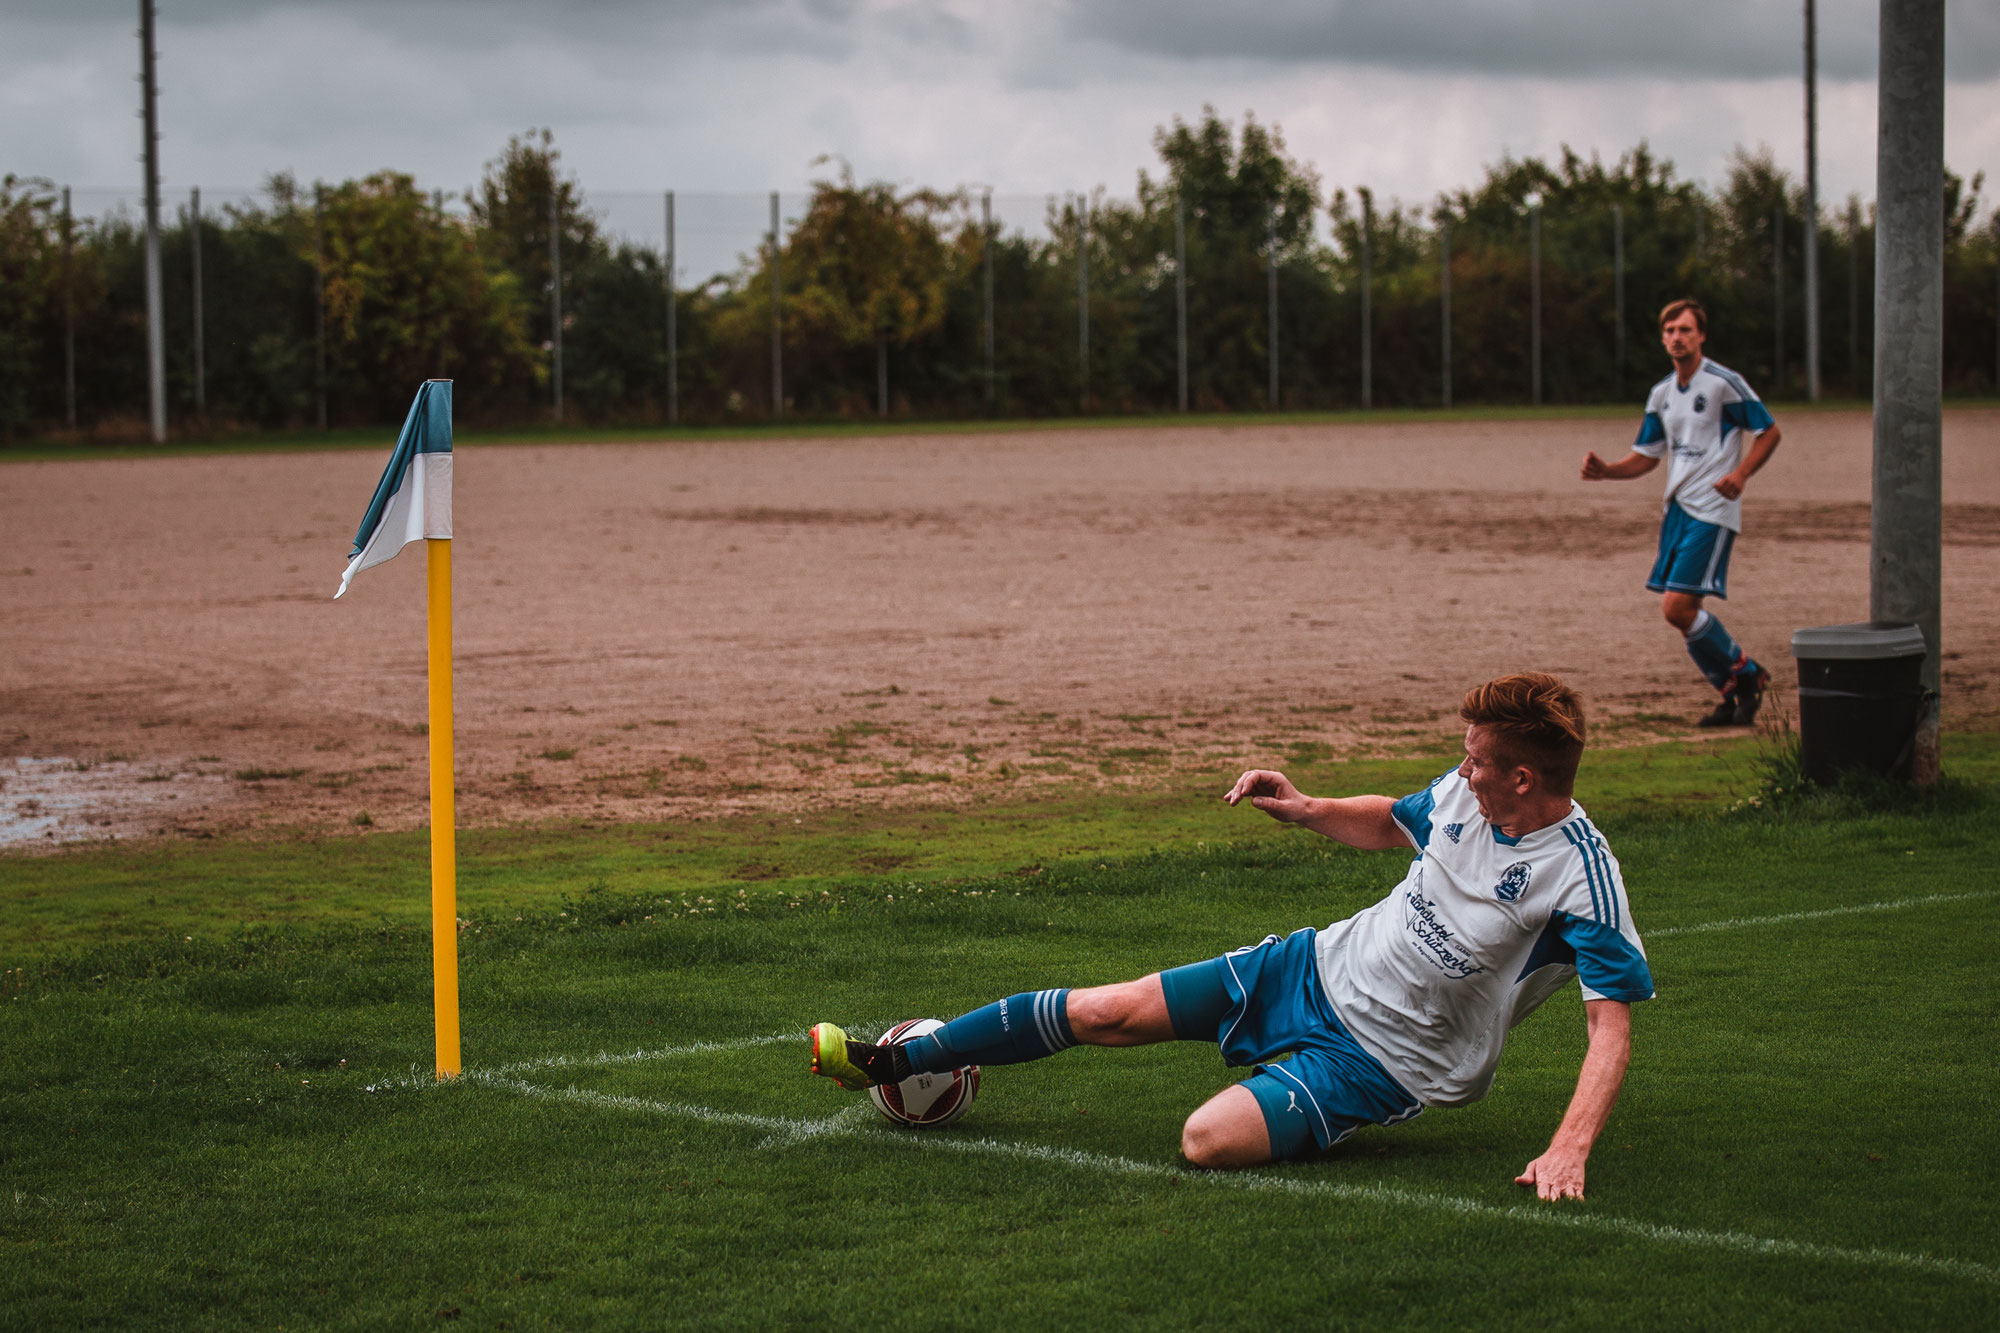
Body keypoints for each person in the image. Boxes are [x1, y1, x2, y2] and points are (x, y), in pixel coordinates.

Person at [810, 673, 1653, 1201]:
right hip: (1314, 967)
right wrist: (1308, 805)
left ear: (1523, 778)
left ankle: (1302, 1093)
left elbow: (1608, 1030)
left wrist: (1567, 1147)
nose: (1461, 770)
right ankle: (892, 1059)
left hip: (1387, 1060)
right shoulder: (1467, 794)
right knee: (1107, 1009)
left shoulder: (1582, 879)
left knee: (1205, 1141)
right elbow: (1396, 820)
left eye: (1476, 761)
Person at [1582, 297, 1783, 727]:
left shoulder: (1723, 383)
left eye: (1685, 329)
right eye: (1670, 330)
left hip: (1713, 508)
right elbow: (1646, 457)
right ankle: (1735, 691)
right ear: (1662, 338)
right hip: (1677, 511)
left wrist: (1742, 474)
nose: (1677, 337)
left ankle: (1746, 675)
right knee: (1678, 612)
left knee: (1677, 608)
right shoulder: (1662, 394)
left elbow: (1769, 431)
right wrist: (1607, 472)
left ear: (1701, 336)